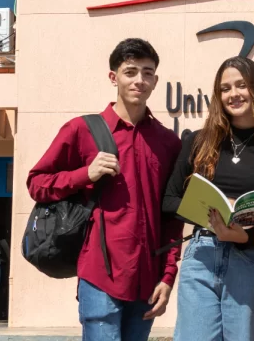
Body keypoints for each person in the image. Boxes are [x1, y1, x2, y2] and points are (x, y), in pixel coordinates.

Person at [27, 38, 182, 341]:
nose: (139, 80)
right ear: (114, 77)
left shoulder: (167, 142)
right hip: (99, 274)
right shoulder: (82, 130)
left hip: (147, 278)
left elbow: (172, 216)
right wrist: (84, 174)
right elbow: (37, 183)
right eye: (130, 72)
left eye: (147, 73)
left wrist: (168, 276)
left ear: (155, 80)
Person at [162, 56, 254, 341]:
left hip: (249, 258)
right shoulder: (198, 141)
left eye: (241, 85)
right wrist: (213, 213)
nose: (233, 94)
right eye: (225, 88)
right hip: (202, 254)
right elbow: (169, 200)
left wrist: (243, 234)